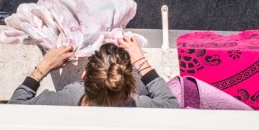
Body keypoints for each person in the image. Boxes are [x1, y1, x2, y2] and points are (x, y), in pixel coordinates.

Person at [9, 36, 179, 108]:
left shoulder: (66, 100)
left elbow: (15, 105)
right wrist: (142, 63)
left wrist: (43, 67)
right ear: (130, 85)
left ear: (84, 76)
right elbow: (171, 104)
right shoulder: (136, 105)